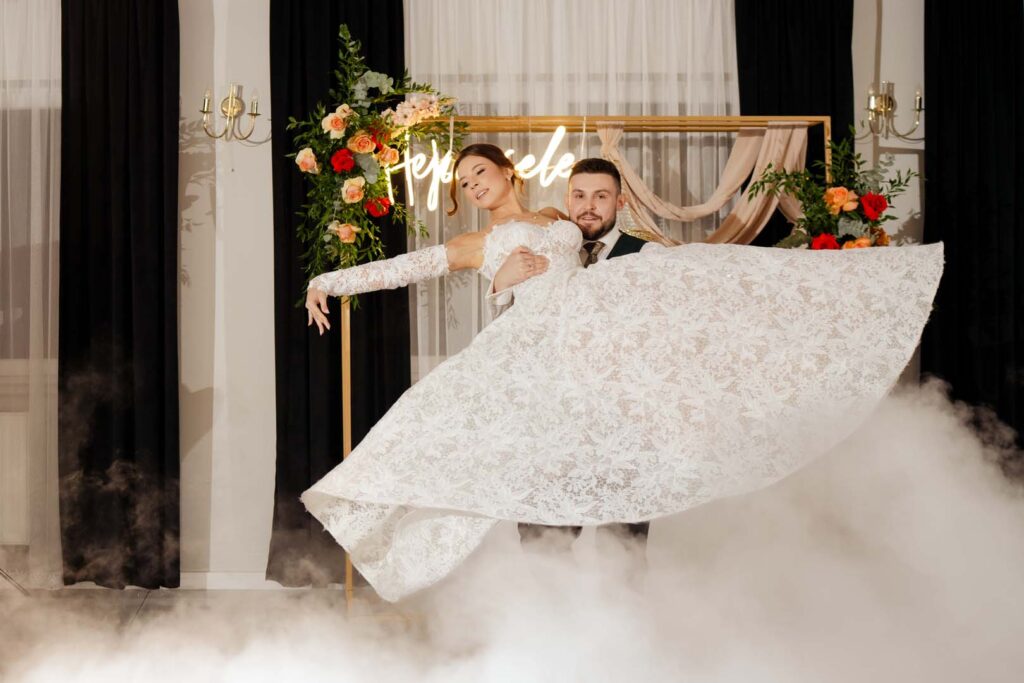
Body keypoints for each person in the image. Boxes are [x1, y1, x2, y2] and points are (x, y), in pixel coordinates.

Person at [302, 142, 944, 602]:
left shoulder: (557, 220)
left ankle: (624, 618)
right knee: (533, 491)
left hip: (601, 362)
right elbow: (405, 269)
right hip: (540, 358)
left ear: (506, 172)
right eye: (463, 183)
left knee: (710, 276)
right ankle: (552, 619)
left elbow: (639, 277)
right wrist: (329, 280)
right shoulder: (477, 243)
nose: (473, 186)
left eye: (479, 173)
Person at [488, 158, 652, 553]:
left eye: (601, 196)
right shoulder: (541, 249)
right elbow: (515, 327)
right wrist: (500, 282)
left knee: (622, 551)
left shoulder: (647, 256)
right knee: (543, 545)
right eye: (579, 195)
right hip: (551, 423)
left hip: (621, 425)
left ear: (620, 202)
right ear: (567, 200)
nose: (588, 206)